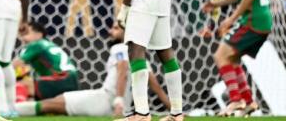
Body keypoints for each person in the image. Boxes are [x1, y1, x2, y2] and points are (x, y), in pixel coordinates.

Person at [15, 26, 170, 117]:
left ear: (126, 32)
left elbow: (122, 68)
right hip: (121, 107)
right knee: (57, 102)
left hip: (106, 100)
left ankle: (9, 111)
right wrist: (174, 109)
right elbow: (155, 85)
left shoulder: (119, 48)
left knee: (49, 105)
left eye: (116, 28)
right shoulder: (140, 58)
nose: (110, 31)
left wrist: (118, 101)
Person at [202, 0, 272, 117]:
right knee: (232, 58)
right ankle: (249, 102)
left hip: (252, 21)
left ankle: (235, 101)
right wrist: (216, 3)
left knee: (220, 56)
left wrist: (230, 19)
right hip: (263, 19)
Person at [14, 21, 79, 100]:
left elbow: (15, 65)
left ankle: (18, 110)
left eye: (26, 34)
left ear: (39, 34)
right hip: (72, 80)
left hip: (61, 78)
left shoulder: (36, 45)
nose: (23, 38)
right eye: (21, 35)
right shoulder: (48, 45)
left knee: (23, 85)